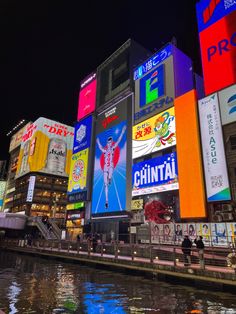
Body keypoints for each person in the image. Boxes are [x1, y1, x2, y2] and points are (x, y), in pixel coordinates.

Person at [96, 125, 126, 209]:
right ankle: (106, 201)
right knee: (105, 185)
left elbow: (119, 141)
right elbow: (100, 147)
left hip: (111, 166)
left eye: (111, 142)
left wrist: (122, 132)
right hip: (106, 167)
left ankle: (110, 178)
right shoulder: (105, 150)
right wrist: (97, 141)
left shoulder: (113, 148)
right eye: (108, 142)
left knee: (109, 175)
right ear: (107, 143)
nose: (110, 143)